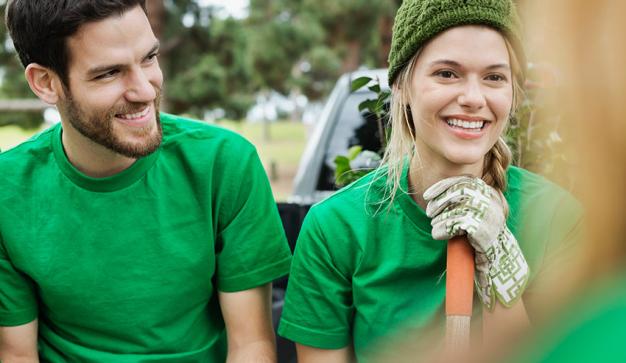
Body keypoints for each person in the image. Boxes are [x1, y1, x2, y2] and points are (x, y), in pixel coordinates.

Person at [278, 0, 582, 361]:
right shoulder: (337, 228)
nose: (472, 98)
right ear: (402, 86)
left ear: (513, 94)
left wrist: (500, 270)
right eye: (446, 74)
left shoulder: (555, 217)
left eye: (494, 77)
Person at [0, 1, 291, 362]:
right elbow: (16, 356)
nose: (145, 91)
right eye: (109, 73)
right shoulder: (7, 192)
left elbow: (251, 346)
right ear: (46, 82)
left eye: (149, 58)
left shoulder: (224, 164)